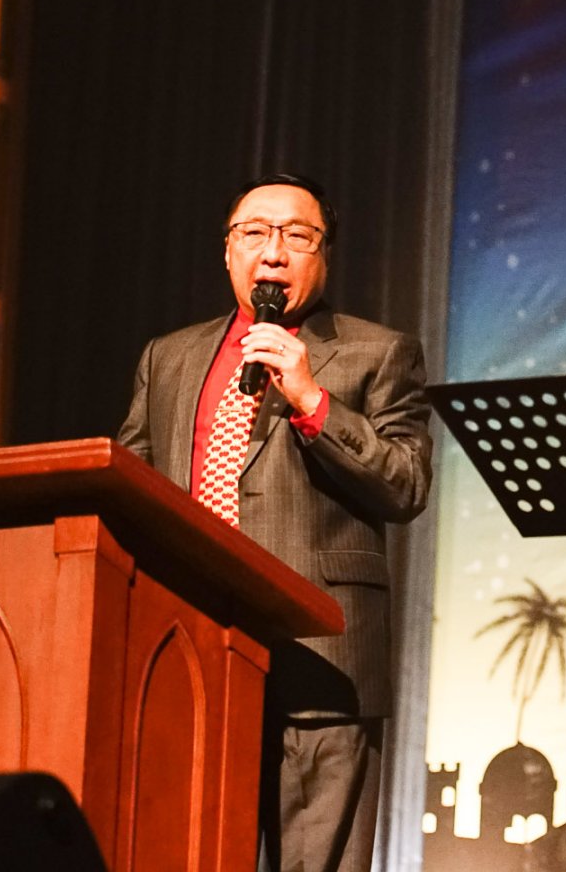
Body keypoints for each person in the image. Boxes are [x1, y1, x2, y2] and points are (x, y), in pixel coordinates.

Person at [116, 173, 432, 872]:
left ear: (324, 255)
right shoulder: (169, 357)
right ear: (228, 251)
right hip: (189, 650)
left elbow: (406, 483)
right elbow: (131, 488)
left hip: (320, 663)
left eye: (298, 236)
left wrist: (314, 401)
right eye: (255, 233)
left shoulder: (378, 352)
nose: (274, 251)